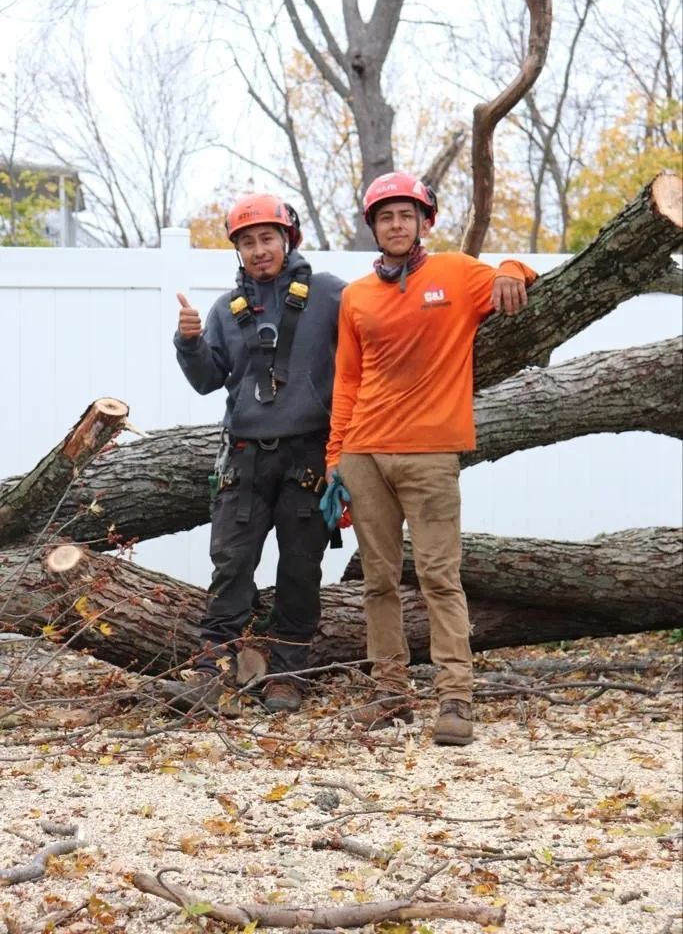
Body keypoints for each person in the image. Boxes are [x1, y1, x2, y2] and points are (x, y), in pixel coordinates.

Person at [325, 171, 537, 745]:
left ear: (425, 221)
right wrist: (334, 458)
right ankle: (390, 693)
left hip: (430, 456)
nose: (396, 225)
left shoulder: (452, 273)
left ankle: (456, 700)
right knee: (378, 582)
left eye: (406, 215)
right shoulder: (355, 296)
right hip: (363, 453)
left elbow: (511, 271)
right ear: (372, 226)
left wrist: (512, 273)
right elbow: (347, 380)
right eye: (385, 217)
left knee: (441, 578)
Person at [167, 193, 345, 716]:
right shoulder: (226, 310)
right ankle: (210, 670)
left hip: (308, 455)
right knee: (232, 562)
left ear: (288, 238)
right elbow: (206, 381)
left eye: (268, 238)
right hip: (244, 457)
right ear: (237, 250)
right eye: (247, 241)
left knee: (299, 567)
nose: (259, 249)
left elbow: (375, 333)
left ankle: (288, 675)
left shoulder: (331, 294)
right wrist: (190, 344)